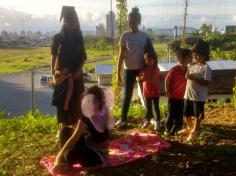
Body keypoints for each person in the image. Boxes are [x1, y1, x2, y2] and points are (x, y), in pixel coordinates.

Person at [53, 86, 110, 174]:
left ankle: (64, 164)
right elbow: (78, 133)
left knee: (69, 154)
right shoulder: (100, 110)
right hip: (89, 144)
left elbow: (74, 139)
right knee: (65, 131)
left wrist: (58, 157)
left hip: (99, 156)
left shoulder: (93, 115)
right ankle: (62, 163)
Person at [116, 7, 155, 129]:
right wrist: (118, 73)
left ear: (138, 22)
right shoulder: (124, 36)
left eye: (134, 22)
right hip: (128, 70)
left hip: (142, 69)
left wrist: (152, 70)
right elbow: (121, 56)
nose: (131, 24)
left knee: (146, 94)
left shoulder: (144, 36)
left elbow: (151, 53)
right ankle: (123, 119)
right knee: (127, 94)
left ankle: (150, 118)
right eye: (129, 22)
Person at [51, 6, 87, 129]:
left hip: (76, 74)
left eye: (74, 23)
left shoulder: (79, 36)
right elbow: (53, 58)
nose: (72, 26)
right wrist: (53, 75)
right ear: (64, 22)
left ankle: (77, 129)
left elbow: (83, 57)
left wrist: (78, 71)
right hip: (62, 75)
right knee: (62, 103)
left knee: (77, 102)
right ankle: (63, 130)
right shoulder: (58, 38)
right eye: (69, 23)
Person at [178, 39, 211, 142]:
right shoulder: (192, 65)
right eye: (195, 55)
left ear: (205, 56)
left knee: (197, 114)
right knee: (186, 113)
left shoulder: (206, 68)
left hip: (199, 96)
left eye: (199, 56)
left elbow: (207, 82)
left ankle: (195, 130)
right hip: (188, 94)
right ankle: (189, 127)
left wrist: (193, 78)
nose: (196, 57)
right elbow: (183, 62)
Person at [164, 48, 192, 135]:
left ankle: (177, 128)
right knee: (171, 113)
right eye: (189, 57)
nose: (191, 58)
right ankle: (168, 128)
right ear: (183, 59)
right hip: (173, 96)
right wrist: (167, 91)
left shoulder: (189, 70)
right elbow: (167, 80)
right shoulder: (174, 69)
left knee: (180, 114)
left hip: (182, 97)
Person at [139, 52, 161, 131]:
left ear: (154, 60)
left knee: (156, 108)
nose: (149, 61)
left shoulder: (156, 69)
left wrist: (143, 78)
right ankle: (147, 120)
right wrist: (141, 78)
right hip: (146, 92)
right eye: (147, 60)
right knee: (148, 108)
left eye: (151, 60)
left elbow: (153, 79)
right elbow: (138, 78)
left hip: (155, 92)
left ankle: (158, 122)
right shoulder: (143, 69)